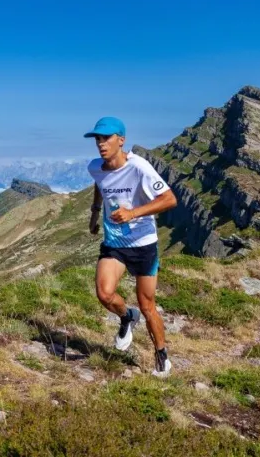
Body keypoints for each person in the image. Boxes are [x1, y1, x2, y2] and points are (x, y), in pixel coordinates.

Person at [84, 116, 178, 378]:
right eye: (98, 139)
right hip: (114, 243)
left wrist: (133, 213)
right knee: (105, 294)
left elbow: (170, 199)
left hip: (144, 244)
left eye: (106, 138)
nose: (101, 144)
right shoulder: (95, 167)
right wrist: (93, 215)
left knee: (148, 306)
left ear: (121, 140)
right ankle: (127, 317)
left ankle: (161, 354)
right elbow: (100, 184)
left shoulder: (139, 167)